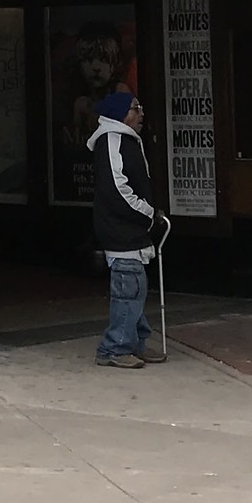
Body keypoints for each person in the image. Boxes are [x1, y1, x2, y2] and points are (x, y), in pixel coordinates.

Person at [90, 89, 164, 368]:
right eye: (136, 107)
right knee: (128, 290)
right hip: (120, 230)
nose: (141, 113)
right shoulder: (111, 140)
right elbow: (118, 189)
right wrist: (147, 213)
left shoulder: (128, 140)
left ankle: (134, 342)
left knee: (136, 289)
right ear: (120, 113)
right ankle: (114, 348)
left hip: (131, 230)